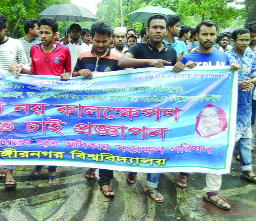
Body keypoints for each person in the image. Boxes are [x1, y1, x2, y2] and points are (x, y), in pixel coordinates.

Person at [118, 14, 186, 203]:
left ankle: (151, 184)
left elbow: (175, 76)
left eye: (161, 28)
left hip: (163, 110)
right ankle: (132, 168)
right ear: (147, 31)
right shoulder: (138, 48)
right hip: (139, 109)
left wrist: (183, 67)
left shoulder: (171, 52)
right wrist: (149, 63)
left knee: (158, 146)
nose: (158, 31)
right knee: (137, 143)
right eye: (154, 27)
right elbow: (122, 62)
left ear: (166, 30)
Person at [180, 20, 236, 210]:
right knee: (188, 143)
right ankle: (184, 172)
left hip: (216, 114)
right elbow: (175, 86)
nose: (209, 38)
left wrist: (236, 76)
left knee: (215, 147)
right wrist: (182, 69)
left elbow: (227, 84)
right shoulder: (188, 58)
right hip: (192, 113)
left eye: (212, 34)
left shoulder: (224, 57)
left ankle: (212, 191)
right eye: (205, 34)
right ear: (197, 35)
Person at [11, 18, 71, 184]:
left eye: (47, 33)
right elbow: (34, 72)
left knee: (54, 135)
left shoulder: (64, 51)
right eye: (41, 32)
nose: (43, 36)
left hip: (57, 102)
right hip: (38, 101)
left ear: (55, 34)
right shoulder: (34, 50)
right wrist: (20, 68)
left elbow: (68, 72)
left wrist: (67, 75)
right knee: (39, 134)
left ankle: (52, 170)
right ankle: (39, 164)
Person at [72, 21, 126, 197]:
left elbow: (129, 82)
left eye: (104, 41)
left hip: (109, 112)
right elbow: (72, 75)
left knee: (106, 146)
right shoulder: (83, 56)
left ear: (110, 40)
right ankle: (90, 165)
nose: (101, 45)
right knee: (88, 141)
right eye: (97, 41)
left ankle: (105, 181)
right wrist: (79, 73)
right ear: (91, 39)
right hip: (87, 110)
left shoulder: (118, 59)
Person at [0, 12, 28, 187]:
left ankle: (9, 171)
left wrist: (19, 67)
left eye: (0, 30)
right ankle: (3, 162)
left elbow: (26, 66)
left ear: (5, 28)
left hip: (14, 96)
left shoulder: (16, 44)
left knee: (11, 133)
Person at [227, 28, 256, 181]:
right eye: (241, 39)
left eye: (247, 40)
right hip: (229, 101)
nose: (244, 42)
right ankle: (218, 166)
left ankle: (247, 168)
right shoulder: (226, 56)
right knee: (227, 134)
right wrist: (237, 83)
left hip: (246, 101)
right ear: (233, 40)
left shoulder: (251, 55)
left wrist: (250, 81)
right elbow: (221, 76)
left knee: (247, 135)